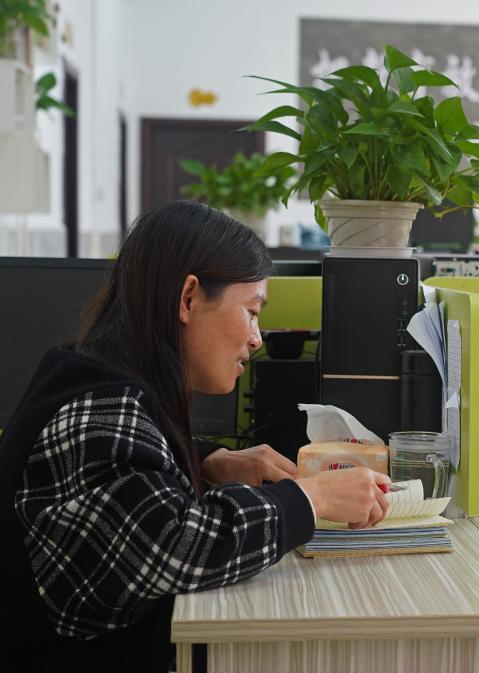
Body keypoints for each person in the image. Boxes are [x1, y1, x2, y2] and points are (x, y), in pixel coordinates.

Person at [0, 201, 391, 672]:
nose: (257, 338)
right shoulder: (98, 413)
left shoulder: (97, 379)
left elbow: (123, 485)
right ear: (187, 299)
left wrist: (204, 460)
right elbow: (175, 544)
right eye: (251, 311)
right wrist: (312, 498)